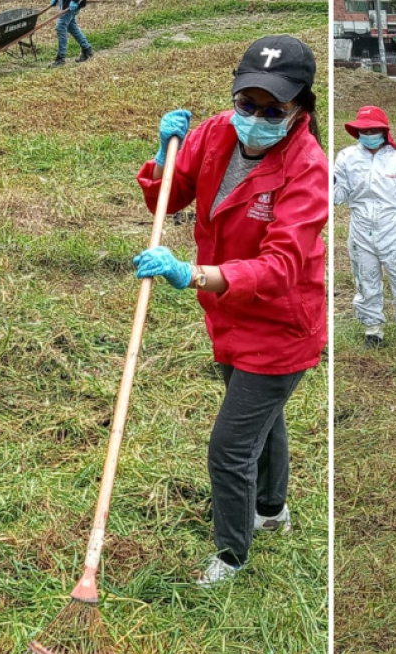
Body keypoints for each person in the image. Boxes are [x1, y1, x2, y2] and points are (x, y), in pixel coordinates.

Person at [133, 35, 327, 587]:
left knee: (230, 445)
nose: (256, 117)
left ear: (301, 108)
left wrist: (192, 274)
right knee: (262, 420)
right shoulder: (218, 132)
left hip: (281, 324)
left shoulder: (307, 169)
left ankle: (232, 554)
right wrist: (163, 155)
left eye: (274, 109)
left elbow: (281, 266)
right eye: (248, 103)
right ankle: (271, 509)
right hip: (227, 315)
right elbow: (168, 198)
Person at [333, 105, 396, 357]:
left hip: (393, 228)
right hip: (361, 228)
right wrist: (327, 182)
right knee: (366, 281)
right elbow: (338, 196)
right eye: (364, 130)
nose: (369, 134)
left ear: (384, 131)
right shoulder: (347, 158)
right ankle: (372, 330)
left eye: (374, 129)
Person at [49, 0, 94, 68]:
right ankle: (86, 49)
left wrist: (75, 1)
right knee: (71, 26)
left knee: (61, 27)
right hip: (66, 2)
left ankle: (60, 58)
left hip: (71, 3)